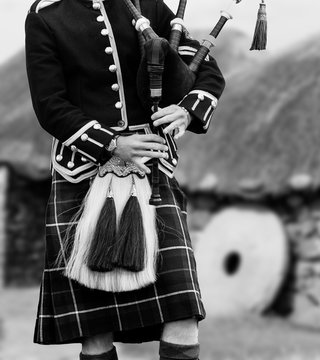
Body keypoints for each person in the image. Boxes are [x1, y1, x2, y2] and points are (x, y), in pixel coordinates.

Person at [25, 0, 225, 359]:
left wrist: (187, 108)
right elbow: (49, 103)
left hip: (152, 174)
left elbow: (205, 68)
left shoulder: (147, 4)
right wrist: (113, 145)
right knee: (94, 330)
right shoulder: (46, 16)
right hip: (81, 174)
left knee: (183, 310)